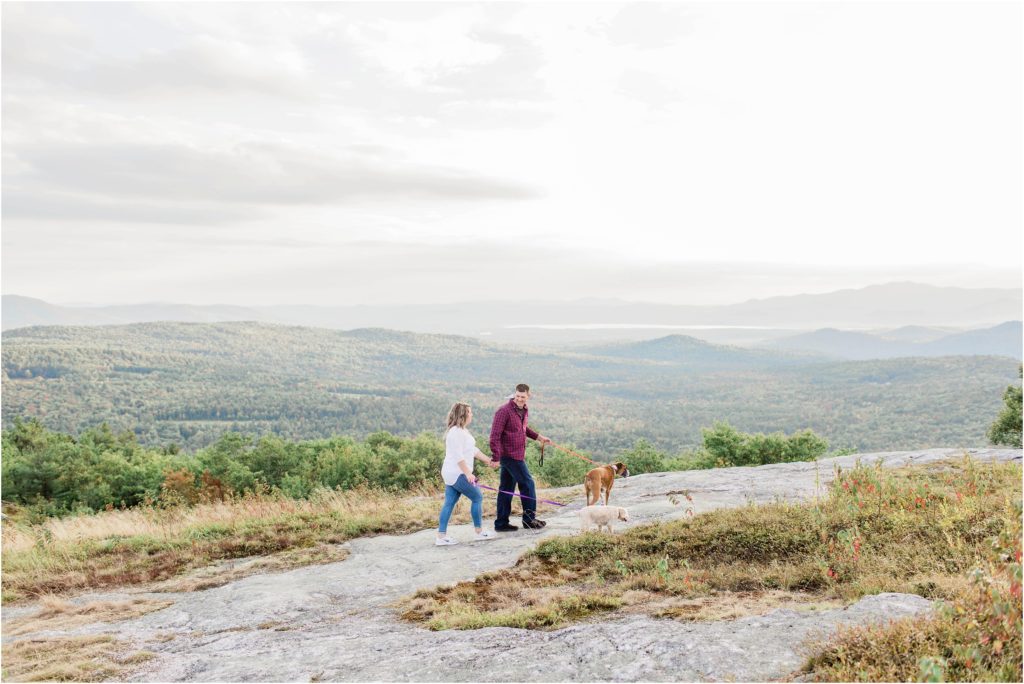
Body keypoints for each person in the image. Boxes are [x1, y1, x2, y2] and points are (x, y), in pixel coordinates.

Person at [489, 383, 552, 531]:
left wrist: (539, 437)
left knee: (506, 489)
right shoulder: (504, 411)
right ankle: (529, 520)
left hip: (517, 453)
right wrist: (496, 457)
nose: (519, 399)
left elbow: (523, 429)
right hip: (509, 455)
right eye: (517, 396)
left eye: (523, 397)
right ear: (514, 394)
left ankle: (501, 523)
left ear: (528, 396)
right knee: (528, 484)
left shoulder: (524, 410)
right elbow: (494, 435)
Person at [436, 402, 499, 546]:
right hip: (457, 473)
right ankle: (479, 532)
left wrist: (489, 461)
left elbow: (473, 450)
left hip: (452, 473)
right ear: (463, 415)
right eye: (470, 412)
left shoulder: (462, 431)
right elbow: (458, 456)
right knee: (477, 496)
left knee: (449, 502)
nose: (472, 415)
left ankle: (441, 536)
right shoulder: (456, 432)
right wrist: (468, 474)